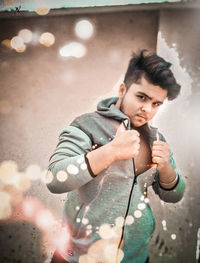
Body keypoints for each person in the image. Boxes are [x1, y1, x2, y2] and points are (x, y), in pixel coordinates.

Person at [47, 50, 185, 263]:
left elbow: (173, 196)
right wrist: (110, 152)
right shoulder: (86, 126)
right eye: (142, 97)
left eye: (156, 103)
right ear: (123, 90)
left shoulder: (157, 139)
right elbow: (55, 178)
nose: (147, 109)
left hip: (134, 257)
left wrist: (166, 168)